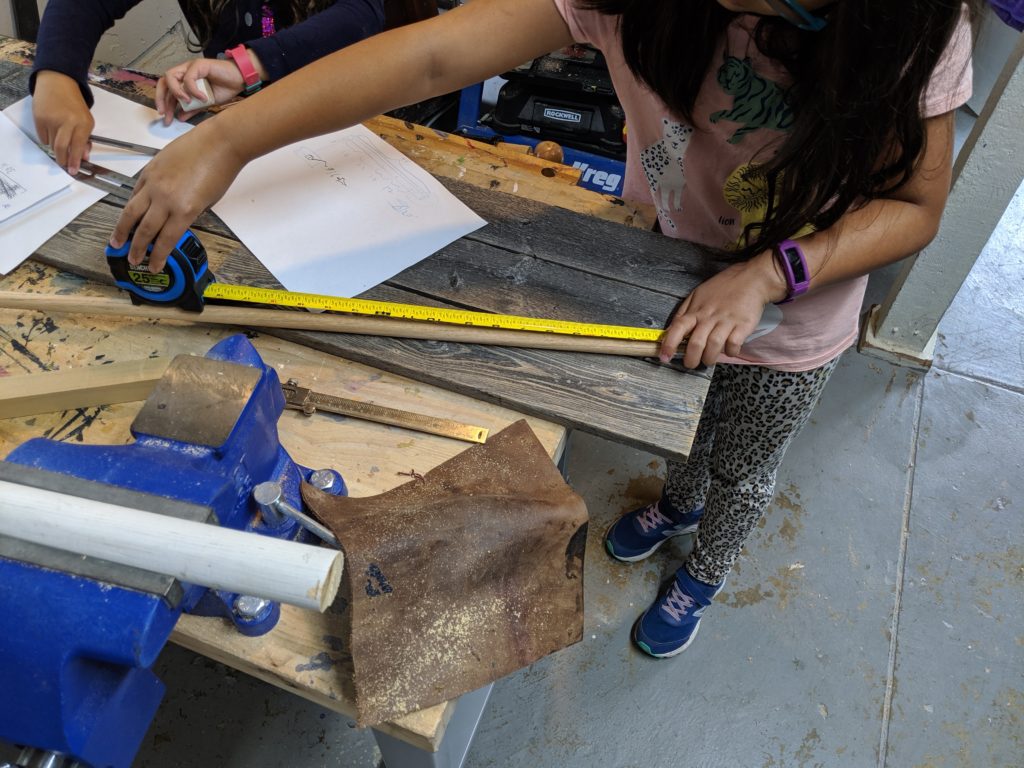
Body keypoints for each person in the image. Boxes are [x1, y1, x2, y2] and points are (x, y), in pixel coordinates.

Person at [109, 0, 980, 657]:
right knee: (685, 435)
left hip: (797, 310)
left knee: (745, 462)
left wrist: (769, 274)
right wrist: (232, 137)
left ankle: (705, 568)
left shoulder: (914, 29)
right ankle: (678, 503)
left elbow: (917, 206)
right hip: (656, 277)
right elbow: (436, 53)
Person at [30, 0, 385, 174]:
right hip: (236, 104)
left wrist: (250, 64)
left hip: (365, 120)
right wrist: (56, 76)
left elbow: (369, 12)